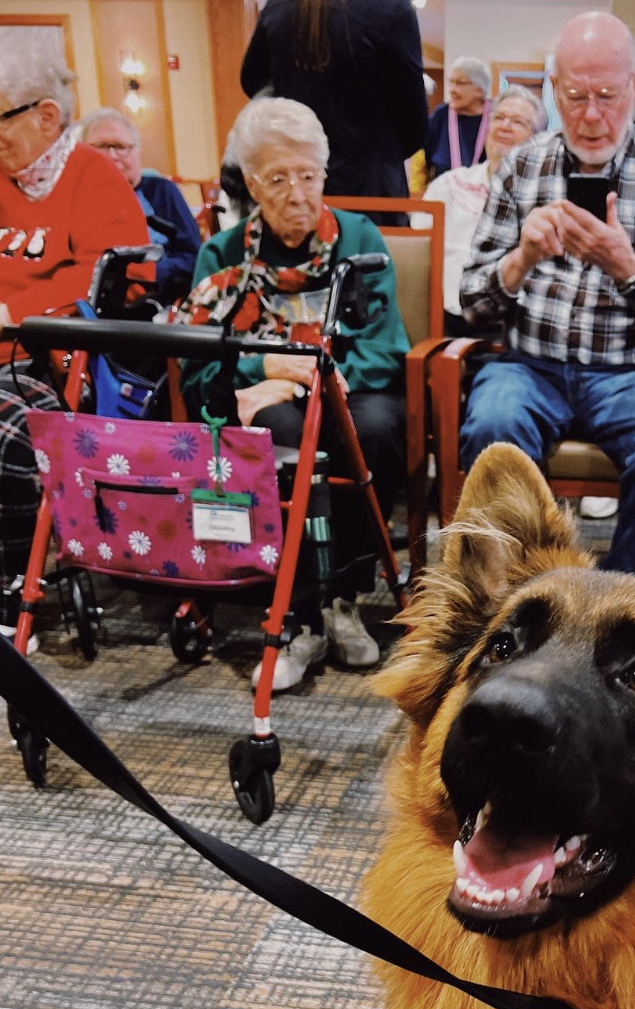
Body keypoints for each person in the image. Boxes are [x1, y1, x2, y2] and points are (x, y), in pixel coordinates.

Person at [458, 12, 635, 574]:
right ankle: (520, 597)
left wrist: (625, 266)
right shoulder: (522, 167)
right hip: (529, 365)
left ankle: (620, 600)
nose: (592, 116)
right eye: (574, 96)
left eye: (607, 95)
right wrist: (521, 258)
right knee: (492, 428)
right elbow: (471, 303)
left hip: (634, 374)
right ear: (553, 89)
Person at [176, 97, 410, 691]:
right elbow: (199, 364)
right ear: (252, 183)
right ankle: (301, 616)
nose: (297, 192)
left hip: (346, 385)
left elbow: (385, 345)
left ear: (324, 174)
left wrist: (313, 371)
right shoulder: (221, 256)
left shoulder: (358, 238)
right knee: (277, 431)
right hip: (263, 401)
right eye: (278, 178)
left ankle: (346, 598)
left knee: (376, 427)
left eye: (308, 175)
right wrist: (261, 364)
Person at [0, 46, 150, 687]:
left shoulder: (92, 177)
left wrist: (3, 314)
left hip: (45, 360)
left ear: (47, 116)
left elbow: (112, 282)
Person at [240, 0, 428, 211]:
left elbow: (251, 80)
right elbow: (414, 122)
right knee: (371, 243)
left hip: (296, 180)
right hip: (370, 184)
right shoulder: (391, 9)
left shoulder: (279, 6)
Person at [413, 84, 547, 336]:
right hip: (443, 319)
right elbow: (416, 257)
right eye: (498, 117)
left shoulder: (546, 196)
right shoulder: (449, 185)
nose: (505, 125)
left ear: (540, 138)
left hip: (511, 324)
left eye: (518, 121)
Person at [76, 107, 201, 303]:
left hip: (157, 301)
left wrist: (150, 273)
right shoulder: (74, 199)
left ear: (137, 151)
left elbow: (192, 255)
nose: (112, 156)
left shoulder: (162, 191)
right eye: (100, 147)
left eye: (120, 146)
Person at [425, 56, 491, 183]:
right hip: (443, 197)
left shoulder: (496, 117)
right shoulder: (440, 116)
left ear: (479, 90)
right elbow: (424, 161)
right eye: (451, 82)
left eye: (459, 83)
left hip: (485, 198)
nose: (452, 89)